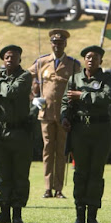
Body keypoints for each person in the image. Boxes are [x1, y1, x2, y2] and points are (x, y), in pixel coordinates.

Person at [61, 45, 111, 223]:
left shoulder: (106, 79)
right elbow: (65, 101)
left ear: (101, 61)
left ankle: (92, 215)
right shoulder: (74, 78)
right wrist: (65, 117)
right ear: (84, 60)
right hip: (80, 130)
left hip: (100, 130)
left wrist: (82, 95)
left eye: (95, 57)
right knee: (81, 172)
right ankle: (79, 213)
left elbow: (106, 98)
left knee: (96, 173)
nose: (91, 60)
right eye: (88, 57)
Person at [28, 29, 80, 199]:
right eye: (54, 42)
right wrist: (33, 97)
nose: (57, 45)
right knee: (47, 150)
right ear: (51, 44)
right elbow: (24, 77)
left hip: (64, 114)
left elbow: (80, 84)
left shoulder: (73, 64)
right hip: (46, 113)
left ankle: (58, 189)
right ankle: (47, 187)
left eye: (60, 43)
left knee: (61, 151)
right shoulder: (42, 61)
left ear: (65, 44)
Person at [0, 44, 32, 223]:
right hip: (1, 130)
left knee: (19, 174)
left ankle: (17, 213)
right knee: (4, 174)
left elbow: (12, 92)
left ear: (20, 58)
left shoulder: (25, 76)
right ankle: (4, 211)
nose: (9, 60)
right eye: (6, 57)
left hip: (20, 132)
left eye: (13, 57)